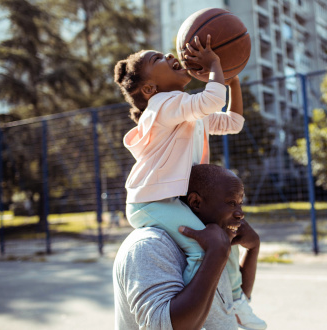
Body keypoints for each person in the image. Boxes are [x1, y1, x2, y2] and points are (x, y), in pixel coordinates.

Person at [113, 35, 266, 329]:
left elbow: (233, 121)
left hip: (169, 199)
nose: (170, 56)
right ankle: (195, 311)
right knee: (205, 248)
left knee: (226, 236)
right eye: (157, 59)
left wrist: (231, 80)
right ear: (149, 88)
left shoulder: (185, 112)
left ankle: (235, 303)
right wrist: (214, 66)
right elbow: (211, 99)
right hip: (151, 203)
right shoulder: (162, 104)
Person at [113, 164, 262, 329]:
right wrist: (215, 256)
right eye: (231, 203)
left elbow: (232, 302)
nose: (240, 213)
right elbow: (164, 326)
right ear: (195, 202)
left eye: (240, 204)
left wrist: (253, 248)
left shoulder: (216, 239)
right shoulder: (149, 246)